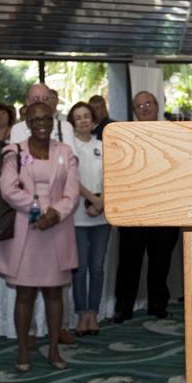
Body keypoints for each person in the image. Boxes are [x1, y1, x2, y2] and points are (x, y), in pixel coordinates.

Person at [0, 102, 79, 371]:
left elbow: (72, 192)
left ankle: (54, 350)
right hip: (25, 232)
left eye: (47, 118)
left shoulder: (66, 152)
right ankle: (23, 351)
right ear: (27, 122)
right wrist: (41, 210)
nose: (42, 123)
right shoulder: (13, 152)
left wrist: (55, 213)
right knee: (25, 294)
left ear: (53, 121)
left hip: (57, 228)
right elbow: (8, 189)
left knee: (55, 293)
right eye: (36, 119)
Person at [113, 90, 178, 322]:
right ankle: (123, 308)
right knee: (129, 263)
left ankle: (158, 306)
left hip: (165, 208)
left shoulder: (172, 133)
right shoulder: (125, 135)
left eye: (148, 103)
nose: (145, 108)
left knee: (161, 262)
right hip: (134, 209)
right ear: (134, 111)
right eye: (139, 106)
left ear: (157, 105)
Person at [67, 101, 108, 336]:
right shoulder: (68, 147)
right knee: (80, 268)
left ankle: (94, 313)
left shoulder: (104, 145)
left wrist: (102, 201)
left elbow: (112, 175)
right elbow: (71, 178)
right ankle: (81, 314)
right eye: (78, 117)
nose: (83, 120)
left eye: (86, 116)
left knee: (98, 267)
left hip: (102, 214)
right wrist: (93, 199)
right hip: (78, 216)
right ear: (73, 122)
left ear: (93, 120)